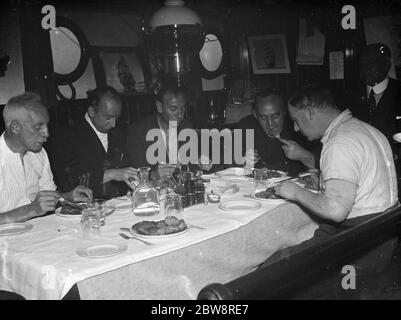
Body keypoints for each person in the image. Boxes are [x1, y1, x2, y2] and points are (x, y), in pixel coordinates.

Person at [265, 85, 399, 270]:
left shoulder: (339, 142)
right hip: (381, 235)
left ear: (309, 111)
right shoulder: (365, 129)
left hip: (358, 243)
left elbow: (336, 210)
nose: (295, 128)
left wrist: (294, 192)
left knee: (274, 268)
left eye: (296, 120)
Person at [0, 92, 92, 225]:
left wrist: (67, 197)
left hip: (37, 233)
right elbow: (34, 208)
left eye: (46, 126)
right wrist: (30, 210)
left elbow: (47, 195)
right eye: (38, 127)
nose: (46, 134)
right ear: (15, 127)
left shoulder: (39, 153)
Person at [52, 86, 138, 198]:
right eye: (108, 117)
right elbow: (70, 180)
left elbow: (126, 168)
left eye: (116, 118)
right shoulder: (67, 136)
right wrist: (111, 174)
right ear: (92, 111)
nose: (113, 124)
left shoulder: (117, 133)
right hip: (85, 207)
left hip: (118, 204)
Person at [237, 90, 320, 176]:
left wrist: (304, 155)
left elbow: (325, 166)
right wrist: (244, 163)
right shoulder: (245, 126)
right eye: (263, 118)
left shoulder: (299, 129)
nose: (270, 125)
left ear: (285, 112)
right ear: (255, 114)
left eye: (275, 116)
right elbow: (230, 168)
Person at [125, 83, 194, 180]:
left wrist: (200, 162)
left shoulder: (186, 126)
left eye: (182, 108)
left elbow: (191, 165)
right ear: (159, 107)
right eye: (173, 109)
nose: (180, 115)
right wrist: (154, 174)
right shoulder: (139, 131)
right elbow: (132, 174)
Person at [351, 43, 401, 143]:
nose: (364, 68)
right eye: (362, 63)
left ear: (386, 66)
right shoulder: (350, 93)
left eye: (371, 63)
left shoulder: (398, 91)